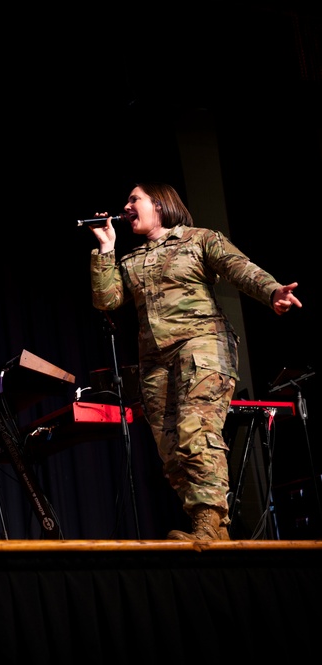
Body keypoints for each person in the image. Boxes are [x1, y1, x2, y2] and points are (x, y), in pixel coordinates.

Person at [89, 181, 302, 541]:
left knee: (196, 432)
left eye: (133, 199)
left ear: (159, 204)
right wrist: (106, 248)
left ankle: (208, 523)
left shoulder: (199, 239)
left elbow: (238, 268)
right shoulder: (131, 258)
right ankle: (210, 527)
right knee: (171, 448)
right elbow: (106, 301)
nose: (126, 206)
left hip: (201, 347)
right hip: (155, 362)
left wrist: (271, 291)